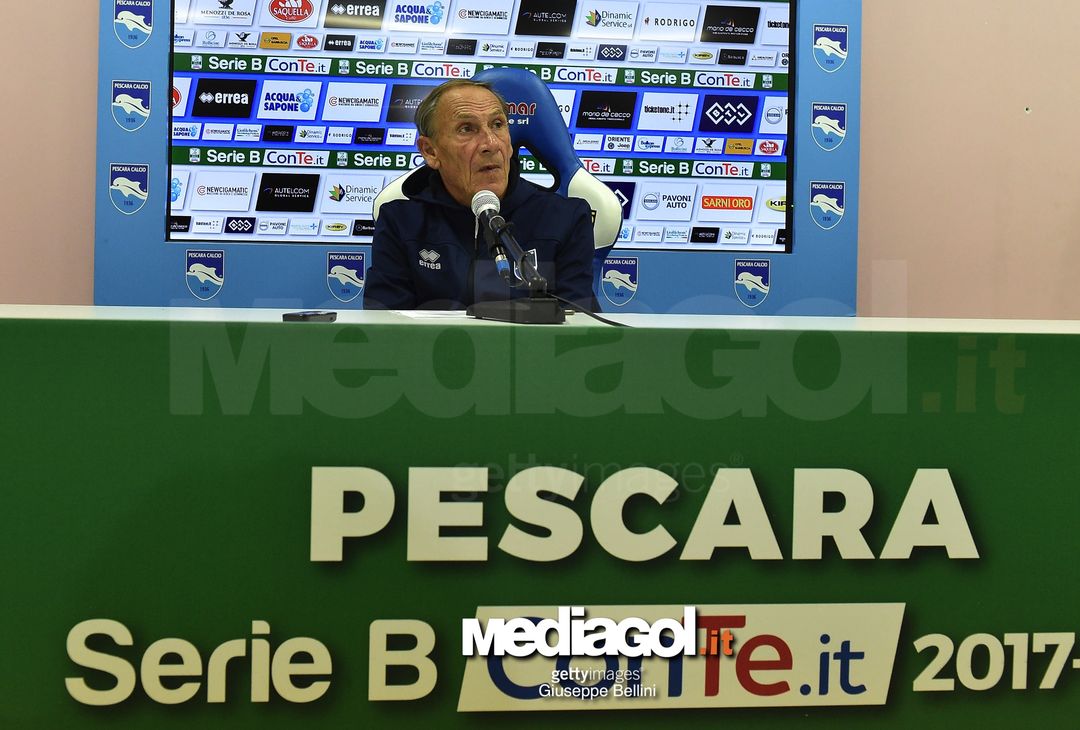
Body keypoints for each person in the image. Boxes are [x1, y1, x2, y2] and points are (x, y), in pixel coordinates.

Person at [364, 79, 598, 310]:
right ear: (430, 151)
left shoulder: (565, 218)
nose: (491, 143)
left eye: (497, 124)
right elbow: (385, 331)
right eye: (467, 129)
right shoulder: (401, 223)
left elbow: (578, 332)